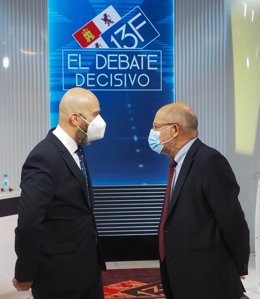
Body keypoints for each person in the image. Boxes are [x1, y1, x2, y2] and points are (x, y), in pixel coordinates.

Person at [148, 102, 250, 299]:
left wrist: (237, 264)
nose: (152, 133)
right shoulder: (178, 163)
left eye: (156, 127)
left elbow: (232, 220)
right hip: (180, 272)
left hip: (206, 276)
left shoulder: (209, 161)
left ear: (174, 129)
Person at [13, 87, 107, 299]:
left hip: (87, 270)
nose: (100, 122)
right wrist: (25, 273)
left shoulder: (77, 150)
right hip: (58, 278)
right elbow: (29, 223)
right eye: (95, 114)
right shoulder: (44, 156)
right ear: (75, 119)